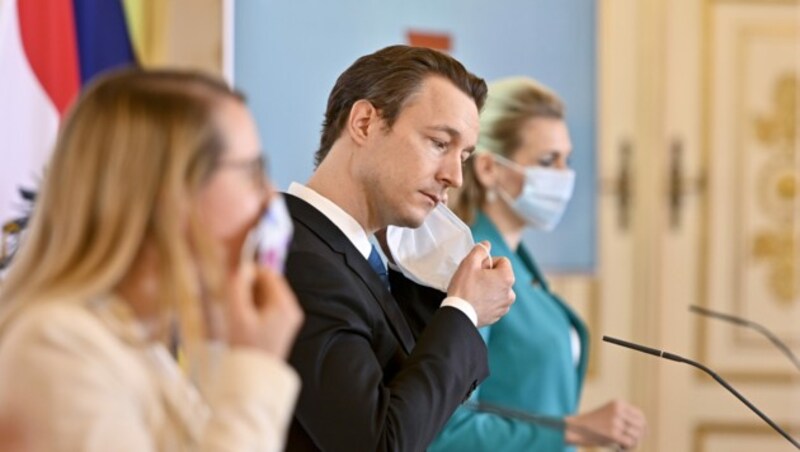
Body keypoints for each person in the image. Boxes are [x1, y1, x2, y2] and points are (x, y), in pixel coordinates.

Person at [0, 69, 303, 452]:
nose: (267, 201)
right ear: (172, 192)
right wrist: (255, 366)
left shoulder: (140, 344)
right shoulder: (56, 350)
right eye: (252, 173)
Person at [282, 45, 517, 452]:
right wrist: (464, 311)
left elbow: (414, 405)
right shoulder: (299, 256)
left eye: (463, 155)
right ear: (364, 122)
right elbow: (380, 443)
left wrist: (441, 284)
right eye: (440, 143)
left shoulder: (364, 258)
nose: (455, 177)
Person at [427, 77, 647, 451]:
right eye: (548, 161)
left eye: (567, 161)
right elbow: (447, 432)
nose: (563, 177)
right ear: (488, 169)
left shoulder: (518, 262)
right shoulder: (475, 264)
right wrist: (572, 430)